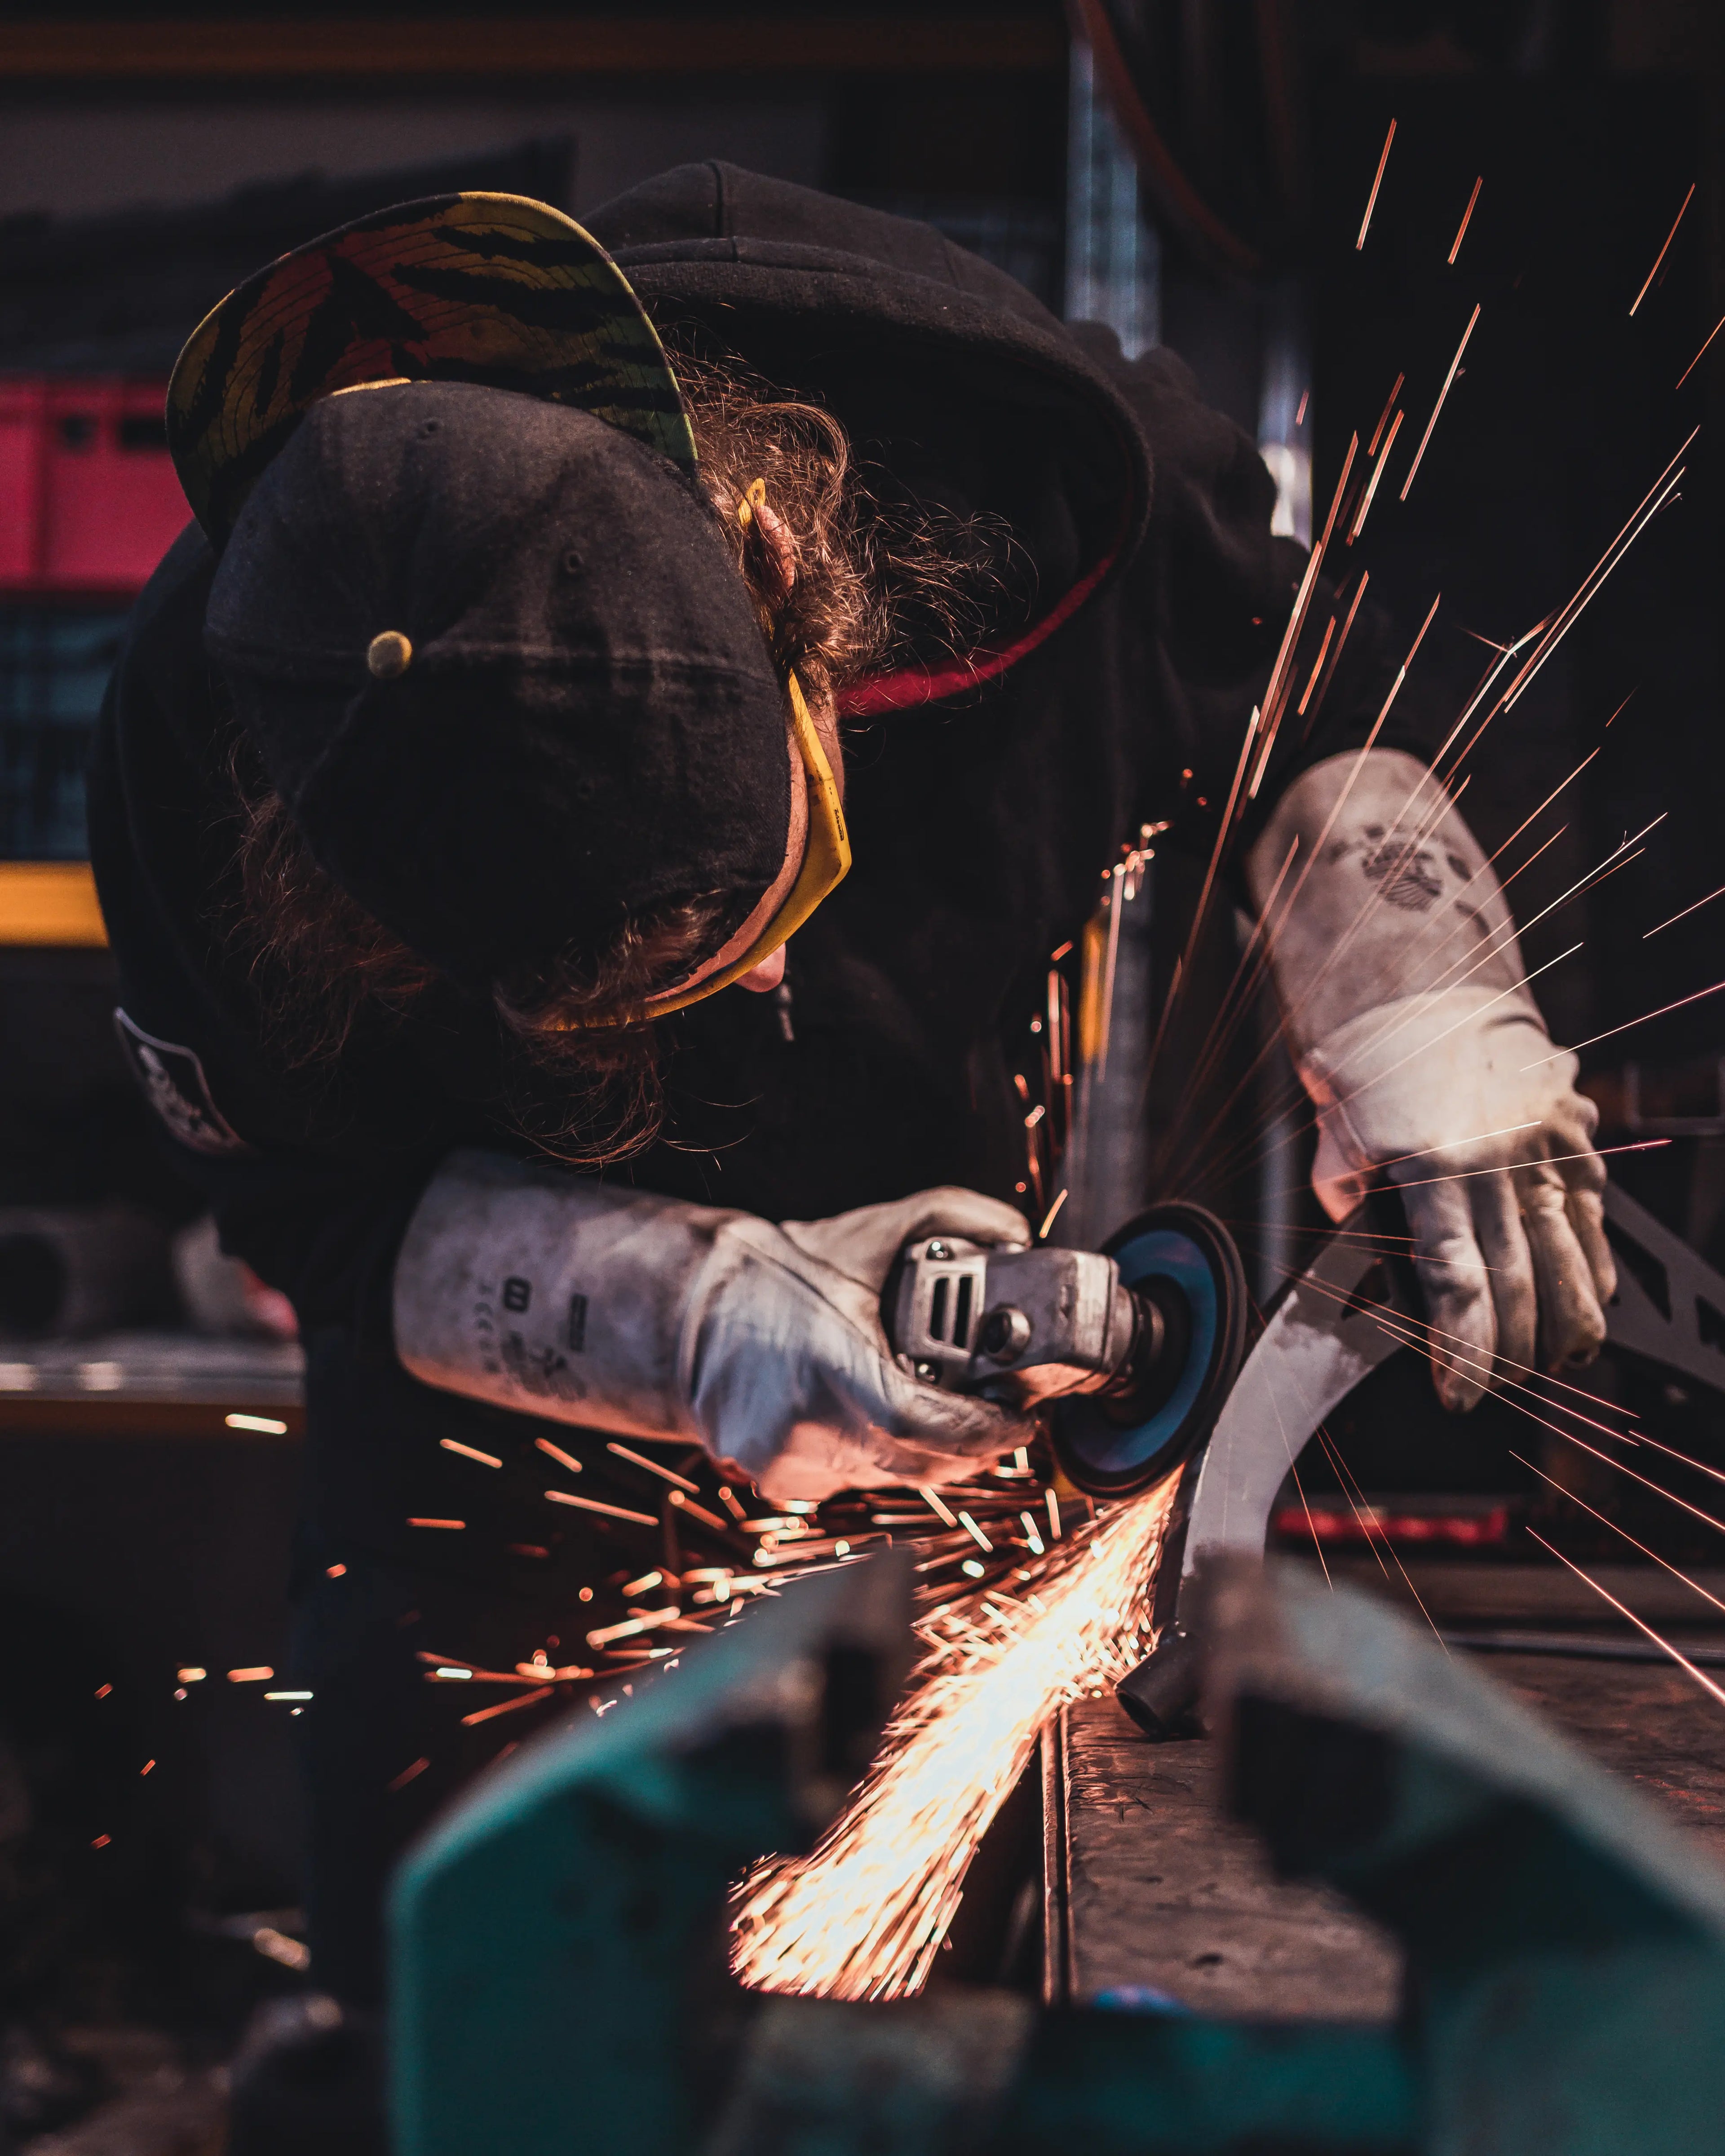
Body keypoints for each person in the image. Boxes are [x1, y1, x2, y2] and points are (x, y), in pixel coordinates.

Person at [89, 169, 1613, 2006]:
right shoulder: (205, 755)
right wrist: (689, 1315)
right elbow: (307, 1209)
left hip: (950, 1484)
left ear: (780, 563)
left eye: (761, 900)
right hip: (487, 1509)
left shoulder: (1051, 484)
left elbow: (1322, 700)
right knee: (471, 2029)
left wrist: (1418, 994)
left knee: (927, 2041)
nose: (762, 990)